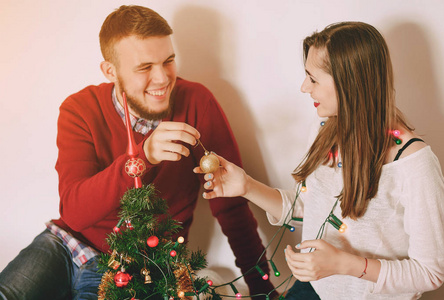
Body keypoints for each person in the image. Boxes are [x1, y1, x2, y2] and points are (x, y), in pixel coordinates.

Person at [0, 5, 276, 300]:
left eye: (168, 61)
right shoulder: (79, 109)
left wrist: (262, 287)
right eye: (145, 68)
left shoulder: (197, 103)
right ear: (110, 71)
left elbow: (230, 205)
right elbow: (75, 212)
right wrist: (142, 158)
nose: (162, 78)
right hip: (67, 245)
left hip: (138, 267)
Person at [198, 21, 444, 299]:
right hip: (313, 288)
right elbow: (310, 207)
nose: (304, 87)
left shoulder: (413, 164)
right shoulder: (325, 131)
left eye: (313, 78)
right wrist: (246, 187)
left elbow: (430, 273)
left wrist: (344, 264)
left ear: (350, 83)